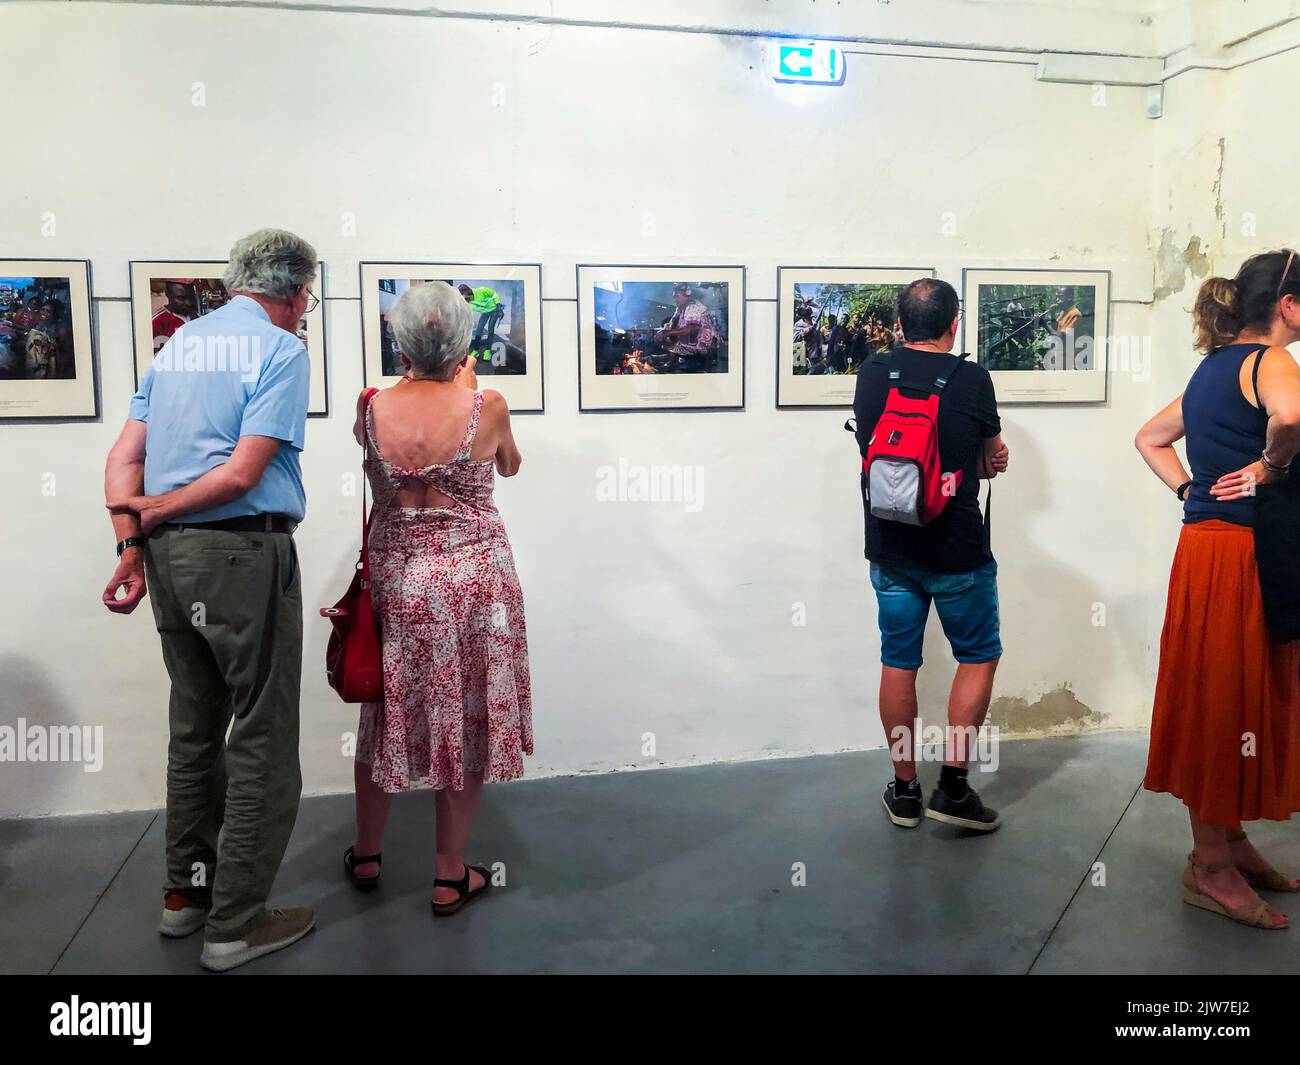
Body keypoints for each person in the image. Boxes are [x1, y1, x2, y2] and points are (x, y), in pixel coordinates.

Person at [102, 227, 319, 971]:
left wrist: (135, 541)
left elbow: (123, 457)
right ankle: (235, 923)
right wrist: (156, 513)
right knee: (261, 733)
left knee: (195, 724)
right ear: (293, 293)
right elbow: (241, 473)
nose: (304, 313)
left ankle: (185, 896)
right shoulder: (282, 350)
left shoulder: (179, 345)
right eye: (306, 299)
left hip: (169, 562)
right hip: (242, 554)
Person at [345, 280, 532, 916]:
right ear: (464, 340)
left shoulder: (371, 404)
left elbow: (374, 460)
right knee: (468, 718)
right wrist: (463, 387)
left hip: (399, 577)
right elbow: (509, 467)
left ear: (400, 339)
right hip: (474, 580)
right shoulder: (489, 403)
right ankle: (449, 874)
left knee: (387, 712)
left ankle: (367, 854)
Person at [1137, 249, 1300, 930]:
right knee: (1225, 697)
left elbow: (1149, 437)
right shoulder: (1273, 362)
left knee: (1224, 692)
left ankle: (1228, 841)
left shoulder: (1211, 370)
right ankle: (1208, 865)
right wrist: (1269, 464)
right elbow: (1290, 418)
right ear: (1287, 306)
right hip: (1243, 553)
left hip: (1207, 549)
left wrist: (1189, 489)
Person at [853, 278, 1009, 832]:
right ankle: (954, 788)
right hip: (958, 549)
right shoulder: (972, 380)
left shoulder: (873, 373)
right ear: (954, 324)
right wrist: (990, 455)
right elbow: (991, 458)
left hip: (890, 546)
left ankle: (904, 790)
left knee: (898, 661)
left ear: (900, 325)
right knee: (976, 655)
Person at [658, 283, 716, 372]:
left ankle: (706, 368)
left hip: (703, 341)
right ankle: (672, 362)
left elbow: (692, 329)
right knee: (670, 337)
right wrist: (669, 328)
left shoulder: (693, 306)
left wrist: (668, 333)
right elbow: (674, 319)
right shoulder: (680, 307)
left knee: (672, 337)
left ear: (686, 296)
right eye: (674, 297)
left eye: (677, 296)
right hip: (690, 338)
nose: (675, 299)